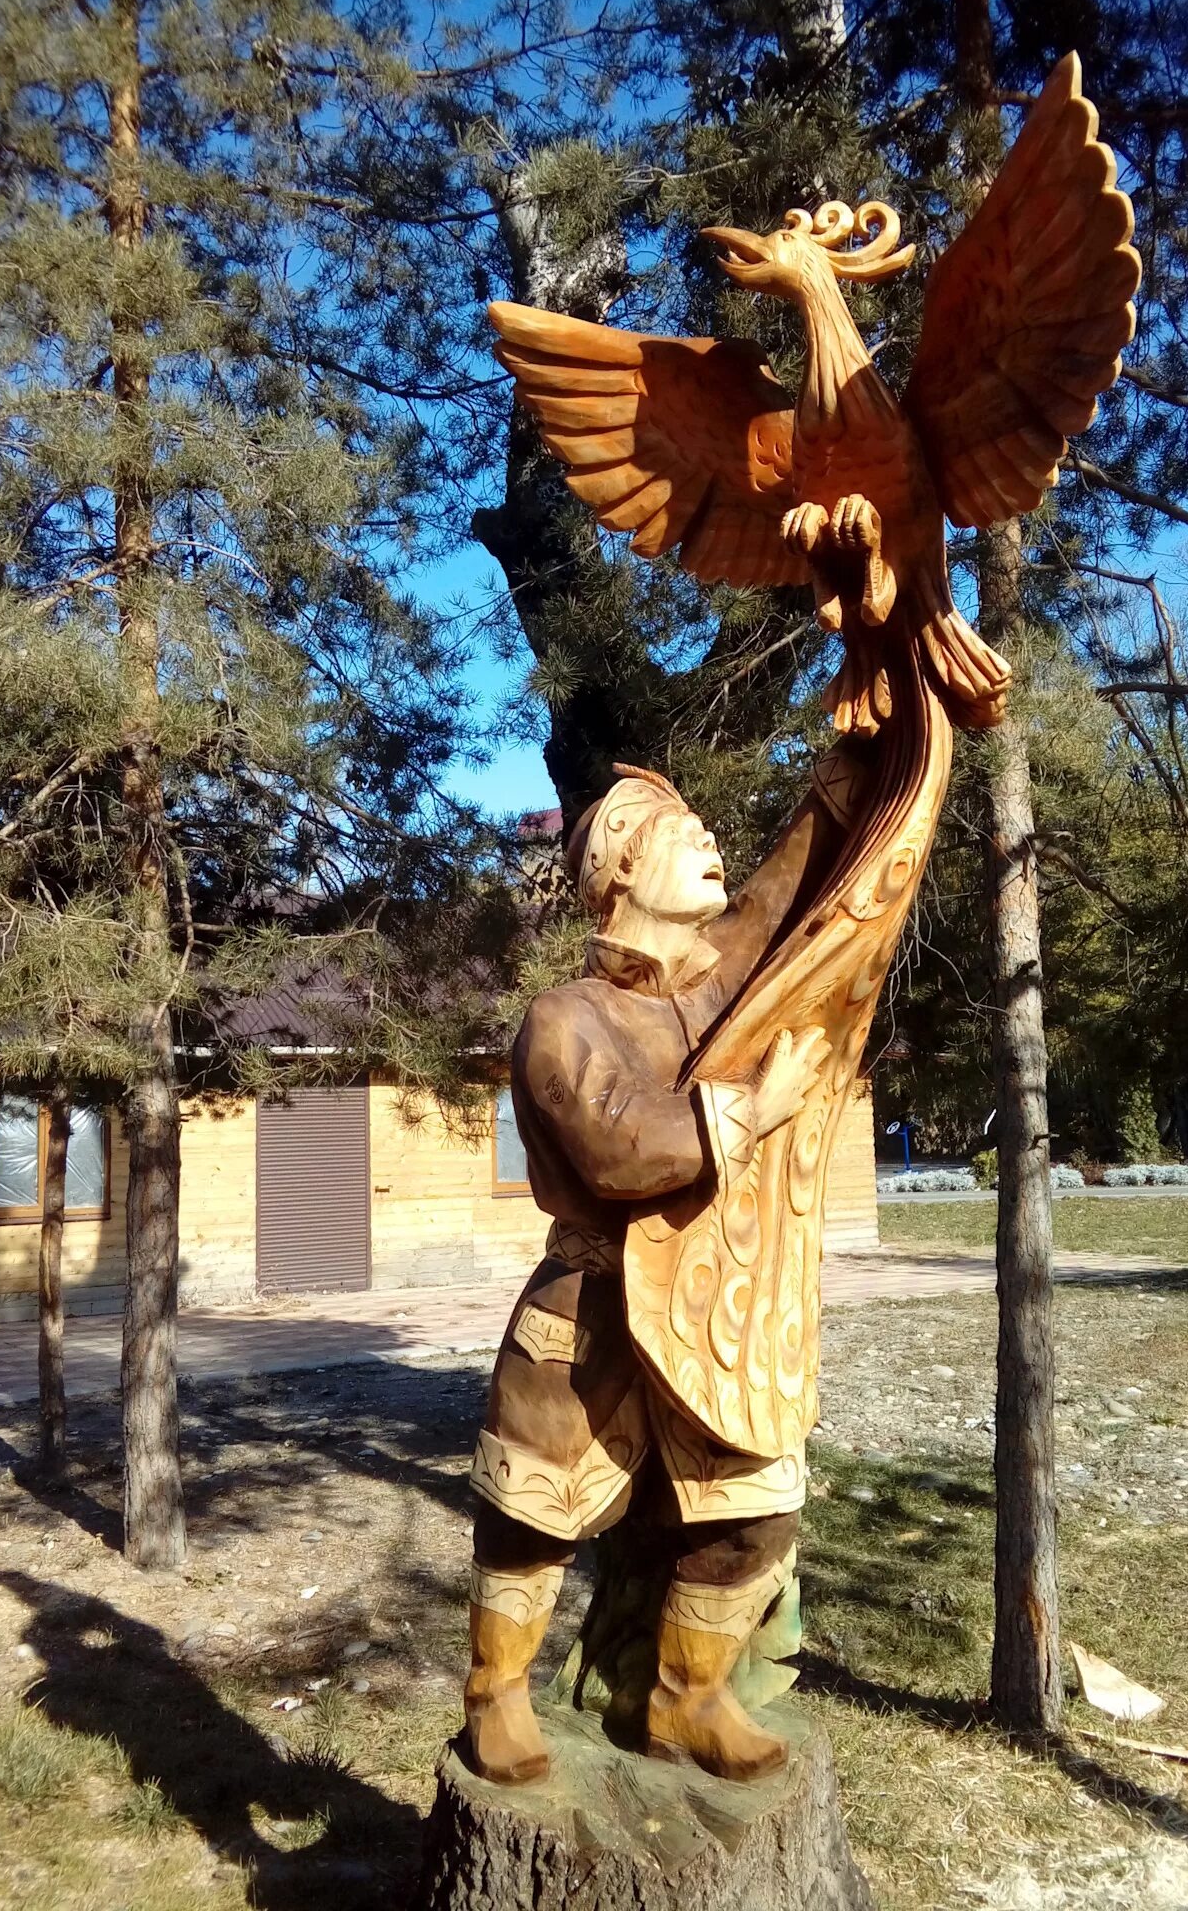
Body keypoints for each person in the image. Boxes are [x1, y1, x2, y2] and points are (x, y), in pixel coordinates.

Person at [464, 748, 868, 1786]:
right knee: (534, 1511)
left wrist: (856, 769)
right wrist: (748, 1112)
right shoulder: (567, 1018)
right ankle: (495, 1694)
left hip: (710, 1314)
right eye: (686, 840)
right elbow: (621, 1146)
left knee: (757, 1506)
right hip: (589, 1311)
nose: (713, 850)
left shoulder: (718, 989)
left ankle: (686, 1699)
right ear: (619, 870)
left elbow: (783, 895)